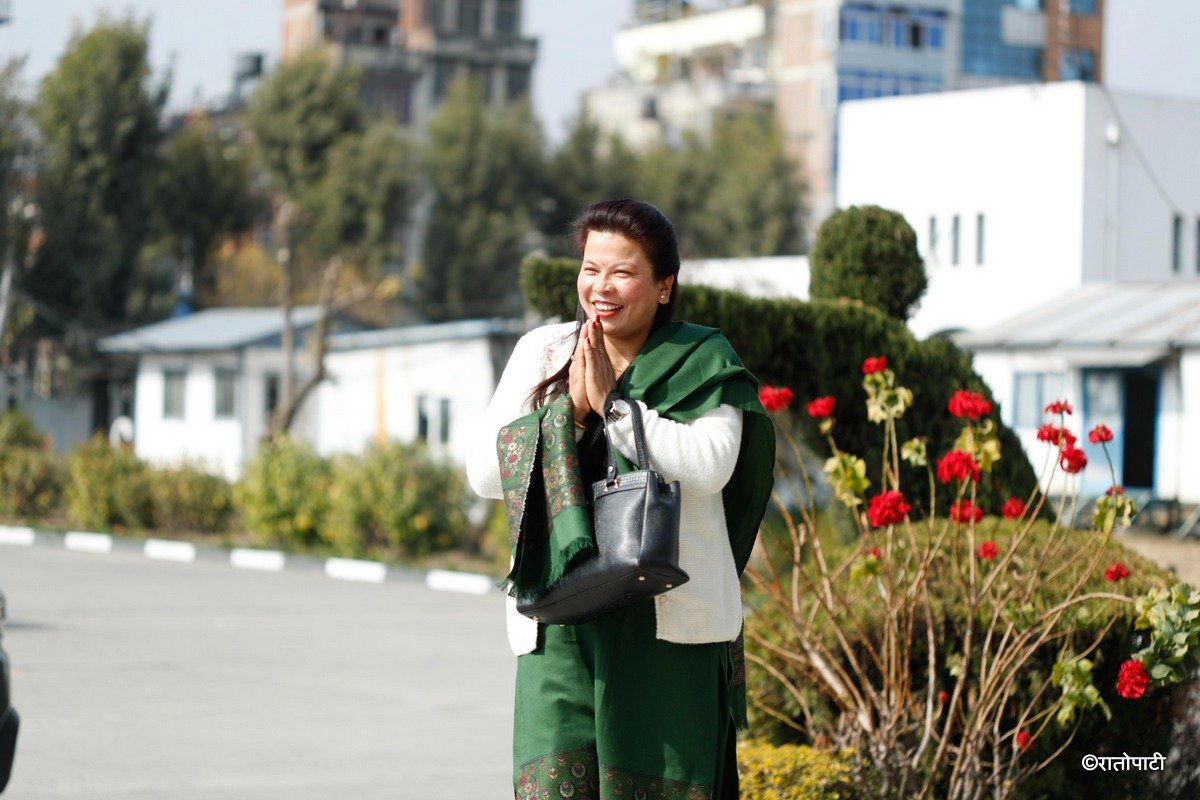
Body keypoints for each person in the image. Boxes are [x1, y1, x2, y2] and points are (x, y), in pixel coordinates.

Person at [466, 199, 775, 800]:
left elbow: (712, 466)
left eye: (622, 272)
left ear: (664, 287)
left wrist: (618, 409)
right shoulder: (544, 352)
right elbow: (484, 472)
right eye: (589, 269)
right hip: (561, 615)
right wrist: (572, 412)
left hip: (669, 625)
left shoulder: (703, 357)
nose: (600, 287)